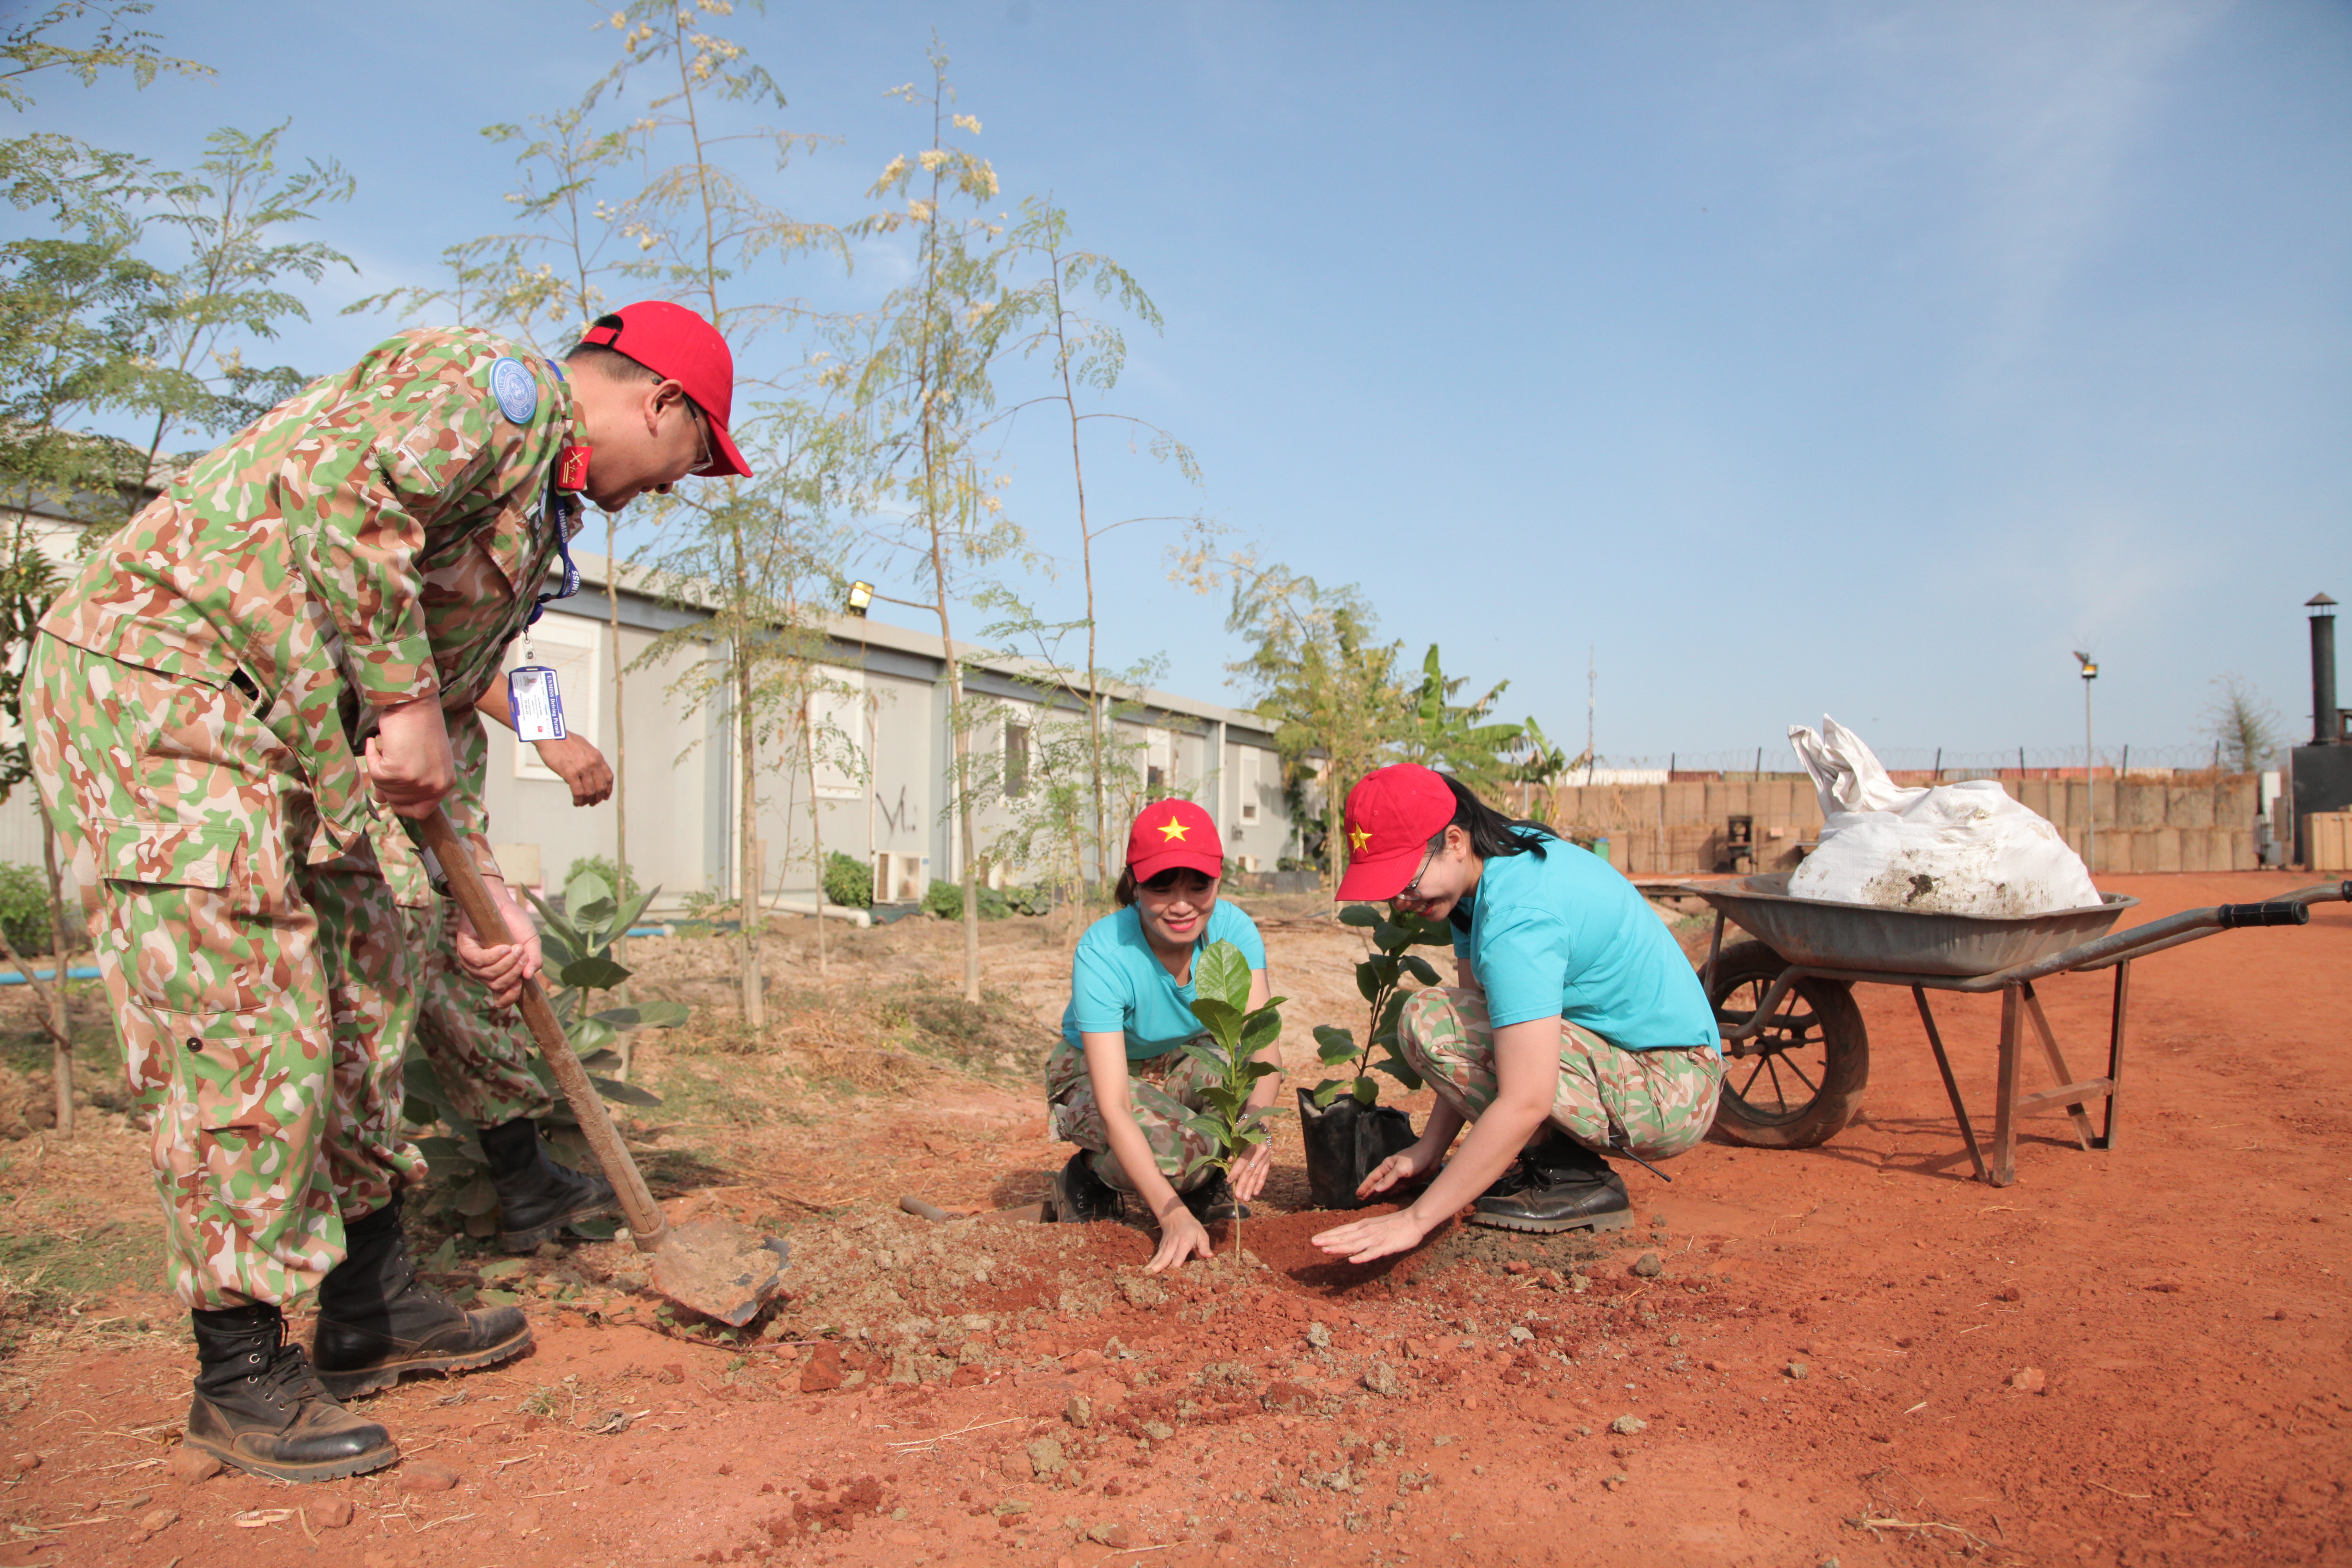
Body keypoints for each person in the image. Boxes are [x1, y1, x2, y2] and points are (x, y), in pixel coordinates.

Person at [27, 299, 748, 1482]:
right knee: (248, 1019)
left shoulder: (537, 520)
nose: (678, 488)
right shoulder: (495, 387)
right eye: (695, 459)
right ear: (661, 403)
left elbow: (465, 674)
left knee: (372, 991)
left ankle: (370, 1296)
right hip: (176, 688)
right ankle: (240, 1366)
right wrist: (503, 726)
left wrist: (492, 894)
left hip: (315, 731)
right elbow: (346, 509)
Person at [1312, 764, 1723, 1266]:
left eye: (1407, 879)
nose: (1401, 901)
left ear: (1456, 842)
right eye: (1388, 887)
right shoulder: (1491, 869)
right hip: (1632, 1061)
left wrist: (1416, 1219)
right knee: (1440, 1021)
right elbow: (1473, 1036)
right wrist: (1429, 1149)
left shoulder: (1518, 917)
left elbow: (1526, 1098)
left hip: (1671, 1087)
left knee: (1426, 1019)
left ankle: (1571, 1176)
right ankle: (1545, 1160)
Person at [406, 676, 618, 1255]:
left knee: (471, 979)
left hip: (442, 813)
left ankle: (524, 1181)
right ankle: (359, 1259)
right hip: (385, 784)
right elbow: (443, 652)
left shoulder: (503, 607)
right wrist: (550, 734)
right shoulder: (435, 598)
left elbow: (486, 651)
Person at [1045, 799, 1280, 1272]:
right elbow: (1113, 1104)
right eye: (1161, 886)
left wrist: (1257, 1129)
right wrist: (1171, 1214)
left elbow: (1262, 1051)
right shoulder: (1104, 951)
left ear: (1218, 880)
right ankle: (1086, 1175)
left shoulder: (1234, 930)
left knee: (1234, 1108)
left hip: (1183, 1058)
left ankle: (1202, 1177)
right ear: (1134, 883)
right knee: (1182, 1152)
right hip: (1098, 1070)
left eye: (1199, 885)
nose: (1181, 905)